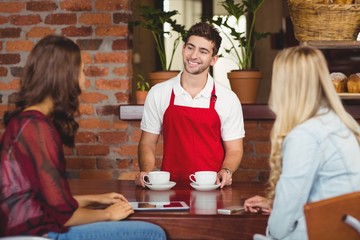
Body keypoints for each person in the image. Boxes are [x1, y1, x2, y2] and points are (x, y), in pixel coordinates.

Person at [0, 35, 166, 240]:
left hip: (26, 225)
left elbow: (45, 199)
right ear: (65, 76)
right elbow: (63, 215)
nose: (85, 81)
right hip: (37, 232)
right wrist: (107, 213)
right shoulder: (38, 128)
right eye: (82, 71)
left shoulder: (25, 121)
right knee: (153, 233)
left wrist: (92, 199)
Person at [243, 46, 360, 240]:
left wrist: (278, 216)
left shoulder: (306, 135)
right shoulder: (337, 123)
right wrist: (276, 204)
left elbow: (280, 228)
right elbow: (319, 193)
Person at [135, 22, 245, 188]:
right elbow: (147, 143)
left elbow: (235, 149)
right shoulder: (159, 93)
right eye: (190, 47)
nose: (193, 56)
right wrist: (147, 172)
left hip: (212, 188)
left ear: (213, 59)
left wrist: (226, 171)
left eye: (203, 51)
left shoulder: (228, 99)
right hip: (169, 188)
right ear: (183, 48)